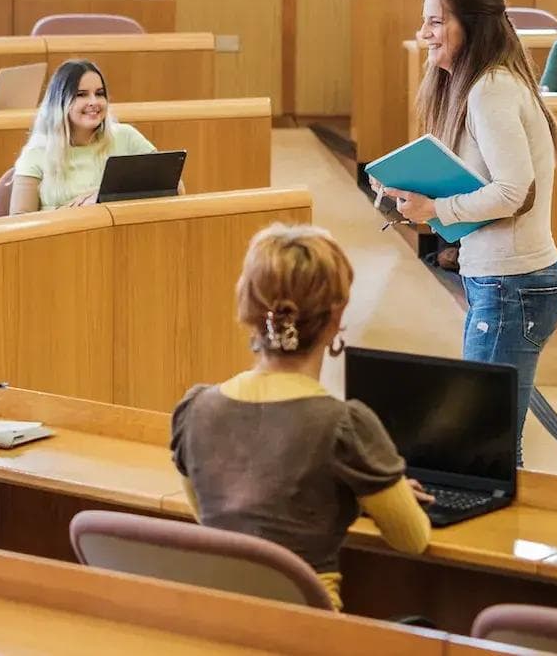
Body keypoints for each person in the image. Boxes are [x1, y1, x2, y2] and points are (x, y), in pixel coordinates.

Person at [170, 224, 431, 610]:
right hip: (310, 633)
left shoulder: (195, 410)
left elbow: (215, 516)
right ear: (337, 315)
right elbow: (412, 540)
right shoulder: (346, 426)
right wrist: (361, 496)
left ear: (248, 307)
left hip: (219, 628)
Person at [374, 0, 557, 464]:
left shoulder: (491, 89)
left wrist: (436, 209)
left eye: (437, 22)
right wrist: (417, 192)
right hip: (505, 280)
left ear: (473, 26)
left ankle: (502, 535)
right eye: (425, 23)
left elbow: (512, 190)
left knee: (485, 447)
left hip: (512, 284)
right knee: (490, 440)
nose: (425, 34)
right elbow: (483, 179)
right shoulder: (484, 84)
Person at [9, 59, 168, 213]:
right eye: (81, 94)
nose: (94, 102)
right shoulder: (36, 153)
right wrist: (78, 210)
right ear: (60, 102)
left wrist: (105, 197)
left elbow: (175, 187)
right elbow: (19, 222)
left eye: (99, 94)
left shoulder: (126, 137)